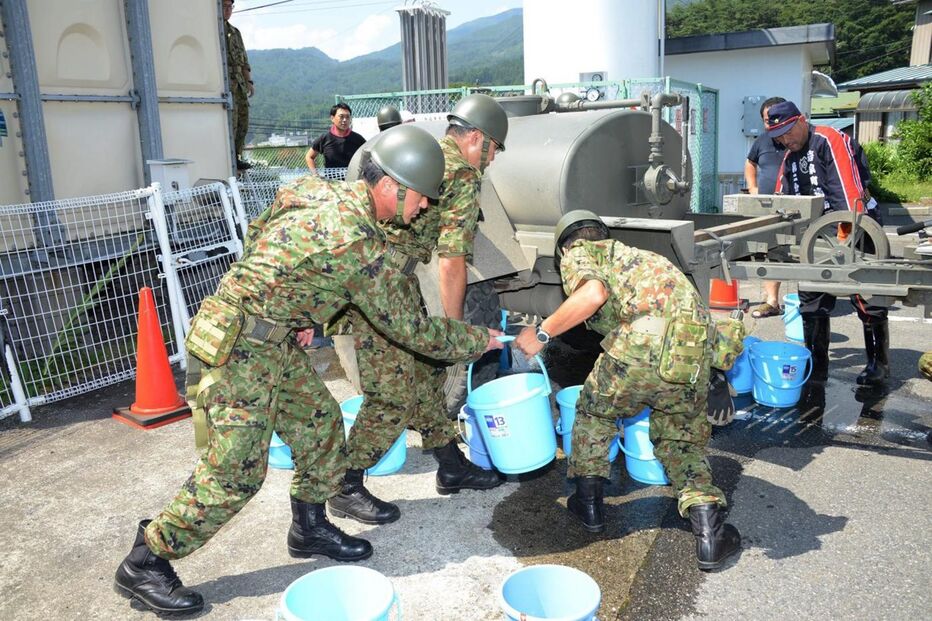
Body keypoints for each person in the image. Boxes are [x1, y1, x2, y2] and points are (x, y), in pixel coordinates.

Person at [113, 125, 504, 616]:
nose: (424, 207)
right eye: (421, 198)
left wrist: (294, 305)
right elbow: (410, 331)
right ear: (390, 187)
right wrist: (478, 337)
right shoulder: (358, 246)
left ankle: (309, 525)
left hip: (275, 337)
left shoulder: (316, 188)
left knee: (320, 424)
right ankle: (148, 558)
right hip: (237, 347)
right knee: (236, 474)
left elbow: (264, 225)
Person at [512, 210, 742, 571]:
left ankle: (588, 503)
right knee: (680, 443)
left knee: (593, 411)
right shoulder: (640, 258)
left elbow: (593, 293)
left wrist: (541, 333)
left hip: (640, 344)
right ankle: (710, 534)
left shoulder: (580, 252)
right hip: (693, 353)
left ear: (563, 248)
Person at [327, 94, 509, 526]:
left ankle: (450, 464)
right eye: (496, 148)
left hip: (389, 275)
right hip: (381, 282)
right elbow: (451, 262)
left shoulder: (431, 154)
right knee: (391, 392)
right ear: (477, 140)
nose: (494, 159)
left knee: (424, 379)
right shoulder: (462, 175)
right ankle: (344, 485)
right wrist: (454, 333)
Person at [769, 100, 888, 386]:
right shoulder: (789, 158)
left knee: (867, 297)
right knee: (811, 301)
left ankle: (878, 365)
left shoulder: (828, 140)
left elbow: (850, 198)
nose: (786, 140)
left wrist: (843, 245)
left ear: (801, 120)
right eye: (779, 137)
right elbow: (781, 203)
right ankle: (816, 367)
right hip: (816, 239)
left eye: (788, 131)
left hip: (856, 227)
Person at [745, 96, 786, 319]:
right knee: (771, 252)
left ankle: (808, 304)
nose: (771, 123)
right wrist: (753, 189)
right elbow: (750, 163)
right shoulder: (761, 141)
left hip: (798, 207)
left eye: (776, 117)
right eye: (767, 119)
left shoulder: (797, 139)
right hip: (768, 207)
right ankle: (772, 301)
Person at [223, 0, 253, 170]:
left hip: (239, 82)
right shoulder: (214, 30)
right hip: (225, 81)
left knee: (243, 121)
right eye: (224, 6)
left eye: (230, 7)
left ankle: (237, 155)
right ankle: (229, 156)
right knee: (231, 122)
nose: (228, 10)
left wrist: (248, 81)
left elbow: (244, 61)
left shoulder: (235, 32)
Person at [304, 103, 366, 171]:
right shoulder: (324, 138)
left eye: (347, 117)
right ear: (332, 118)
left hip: (352, 180)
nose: (345, 120)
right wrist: (315, 174)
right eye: (341, 116)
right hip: (331, 181)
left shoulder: (358, 139)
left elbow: (369, 157)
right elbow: (309, 157)